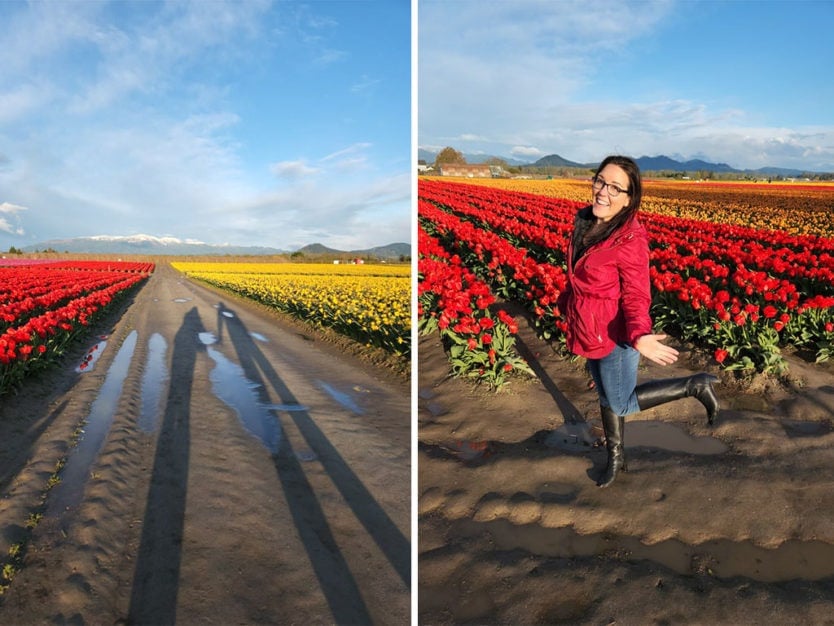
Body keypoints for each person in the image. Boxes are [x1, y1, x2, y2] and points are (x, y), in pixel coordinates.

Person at [556, 155, 719, 488]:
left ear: (629, 198)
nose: (603, 191)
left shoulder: (629, 239)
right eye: (600, 181)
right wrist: (567, 305)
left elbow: (636, 295)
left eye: (615, 187)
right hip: (589, 329)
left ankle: (694, 385)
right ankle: (616, 458)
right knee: (605, 395)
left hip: (617, 335)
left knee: (621, 401)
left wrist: (640, 335)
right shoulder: (586, 222)